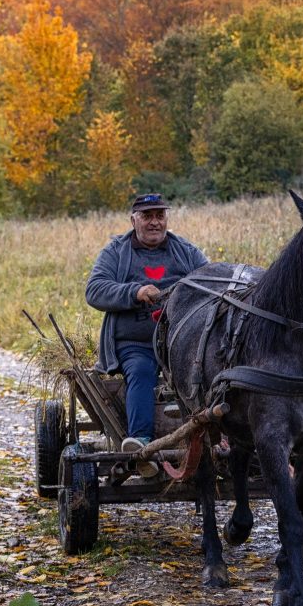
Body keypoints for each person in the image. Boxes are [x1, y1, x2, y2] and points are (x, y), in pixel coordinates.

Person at [85, 193, 208, 477]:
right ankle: (140, 445)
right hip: (135, 343)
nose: (155, 222)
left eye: (159, 215)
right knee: (140, 371)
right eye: (147, 216)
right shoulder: (117, 251)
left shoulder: (185, 251)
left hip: (182, 343)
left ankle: (214, 438)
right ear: (133, 220)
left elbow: (211, 279)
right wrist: (134, 292)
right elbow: (95, 290)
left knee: (208, 372)